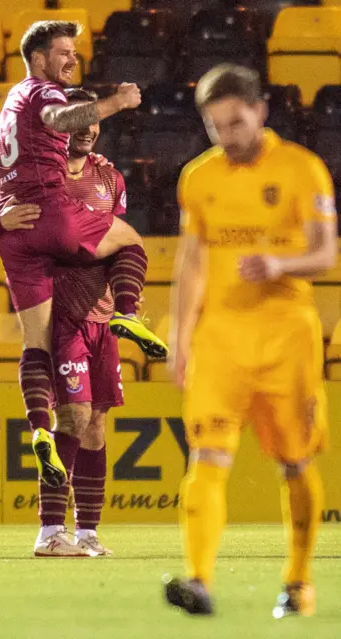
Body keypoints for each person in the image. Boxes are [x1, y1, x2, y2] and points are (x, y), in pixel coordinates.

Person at [164, 64, 337, 616]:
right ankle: (198, 580)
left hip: (286, 337)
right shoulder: (198, 177)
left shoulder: (302, 170)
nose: (227, 137)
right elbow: (191, 262)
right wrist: (180, 335)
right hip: (220, 339)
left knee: (293, 463)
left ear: (260, 111)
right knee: (207, 455)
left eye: (236, 123)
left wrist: (279, 263)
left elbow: (326, 254)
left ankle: (298, 583)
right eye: (216, 127)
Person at [0, 20, 167, 493]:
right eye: (63, 51)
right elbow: (60, 120)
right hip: (52, 221)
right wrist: (118, 102)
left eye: (74, 53)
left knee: (36, 351)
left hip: (22, 234)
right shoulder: (44, 95)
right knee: (131, 241)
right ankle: (130, 314)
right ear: (39, 57)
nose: (71, 59)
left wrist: (0, 221)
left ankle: (37, 429)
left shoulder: (13, 103)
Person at [0, 88, 127, 557]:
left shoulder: (110, 177)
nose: (88, 129)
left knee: (96, 424)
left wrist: (123, 300)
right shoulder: (31, 180)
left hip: (100, 316)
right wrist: (2, 221)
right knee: (73, 417)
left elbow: (118, 242)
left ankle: (88, 533)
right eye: (78, 121)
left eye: (93, 122)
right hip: (60, 319)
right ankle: (48, 530)